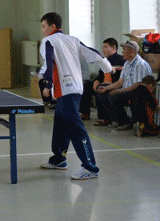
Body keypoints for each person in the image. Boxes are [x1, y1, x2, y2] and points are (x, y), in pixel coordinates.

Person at [38, 12, 112, 180]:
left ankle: (90, 167)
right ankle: (58, 159)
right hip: (75, 88)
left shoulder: (48, 41)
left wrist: (47, 85)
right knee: (60, 123)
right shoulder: (73, 39)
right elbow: (94, 54)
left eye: (44, 27)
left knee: (76, 129)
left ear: (53, 27)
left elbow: (50, 63)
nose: (42, 30)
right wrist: (107, 68)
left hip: (66, 90)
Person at [96, 40, 152, 130]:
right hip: (127, 91)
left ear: (132, 52)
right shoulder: (127, 64)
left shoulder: (140, 64)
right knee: (102, 93)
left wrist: (119, 91)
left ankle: (125, 122)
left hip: (137, 92)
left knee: (113, 95)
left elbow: (137, 85)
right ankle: (116, 120)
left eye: (125, 49)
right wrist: (106, 88)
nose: (122, 52)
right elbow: (120, 82)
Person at [78, 38, 126, 122]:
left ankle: (104, 117)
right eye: (103, 47)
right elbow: (100, 75)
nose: (103, 50)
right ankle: (85, 113)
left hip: (114, 85)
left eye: (105, 47)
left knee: (102, 88)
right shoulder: (104, 60)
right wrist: (96, 81)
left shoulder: (121, 60)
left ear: (114, 47)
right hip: (104, 83)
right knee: (86, 85)